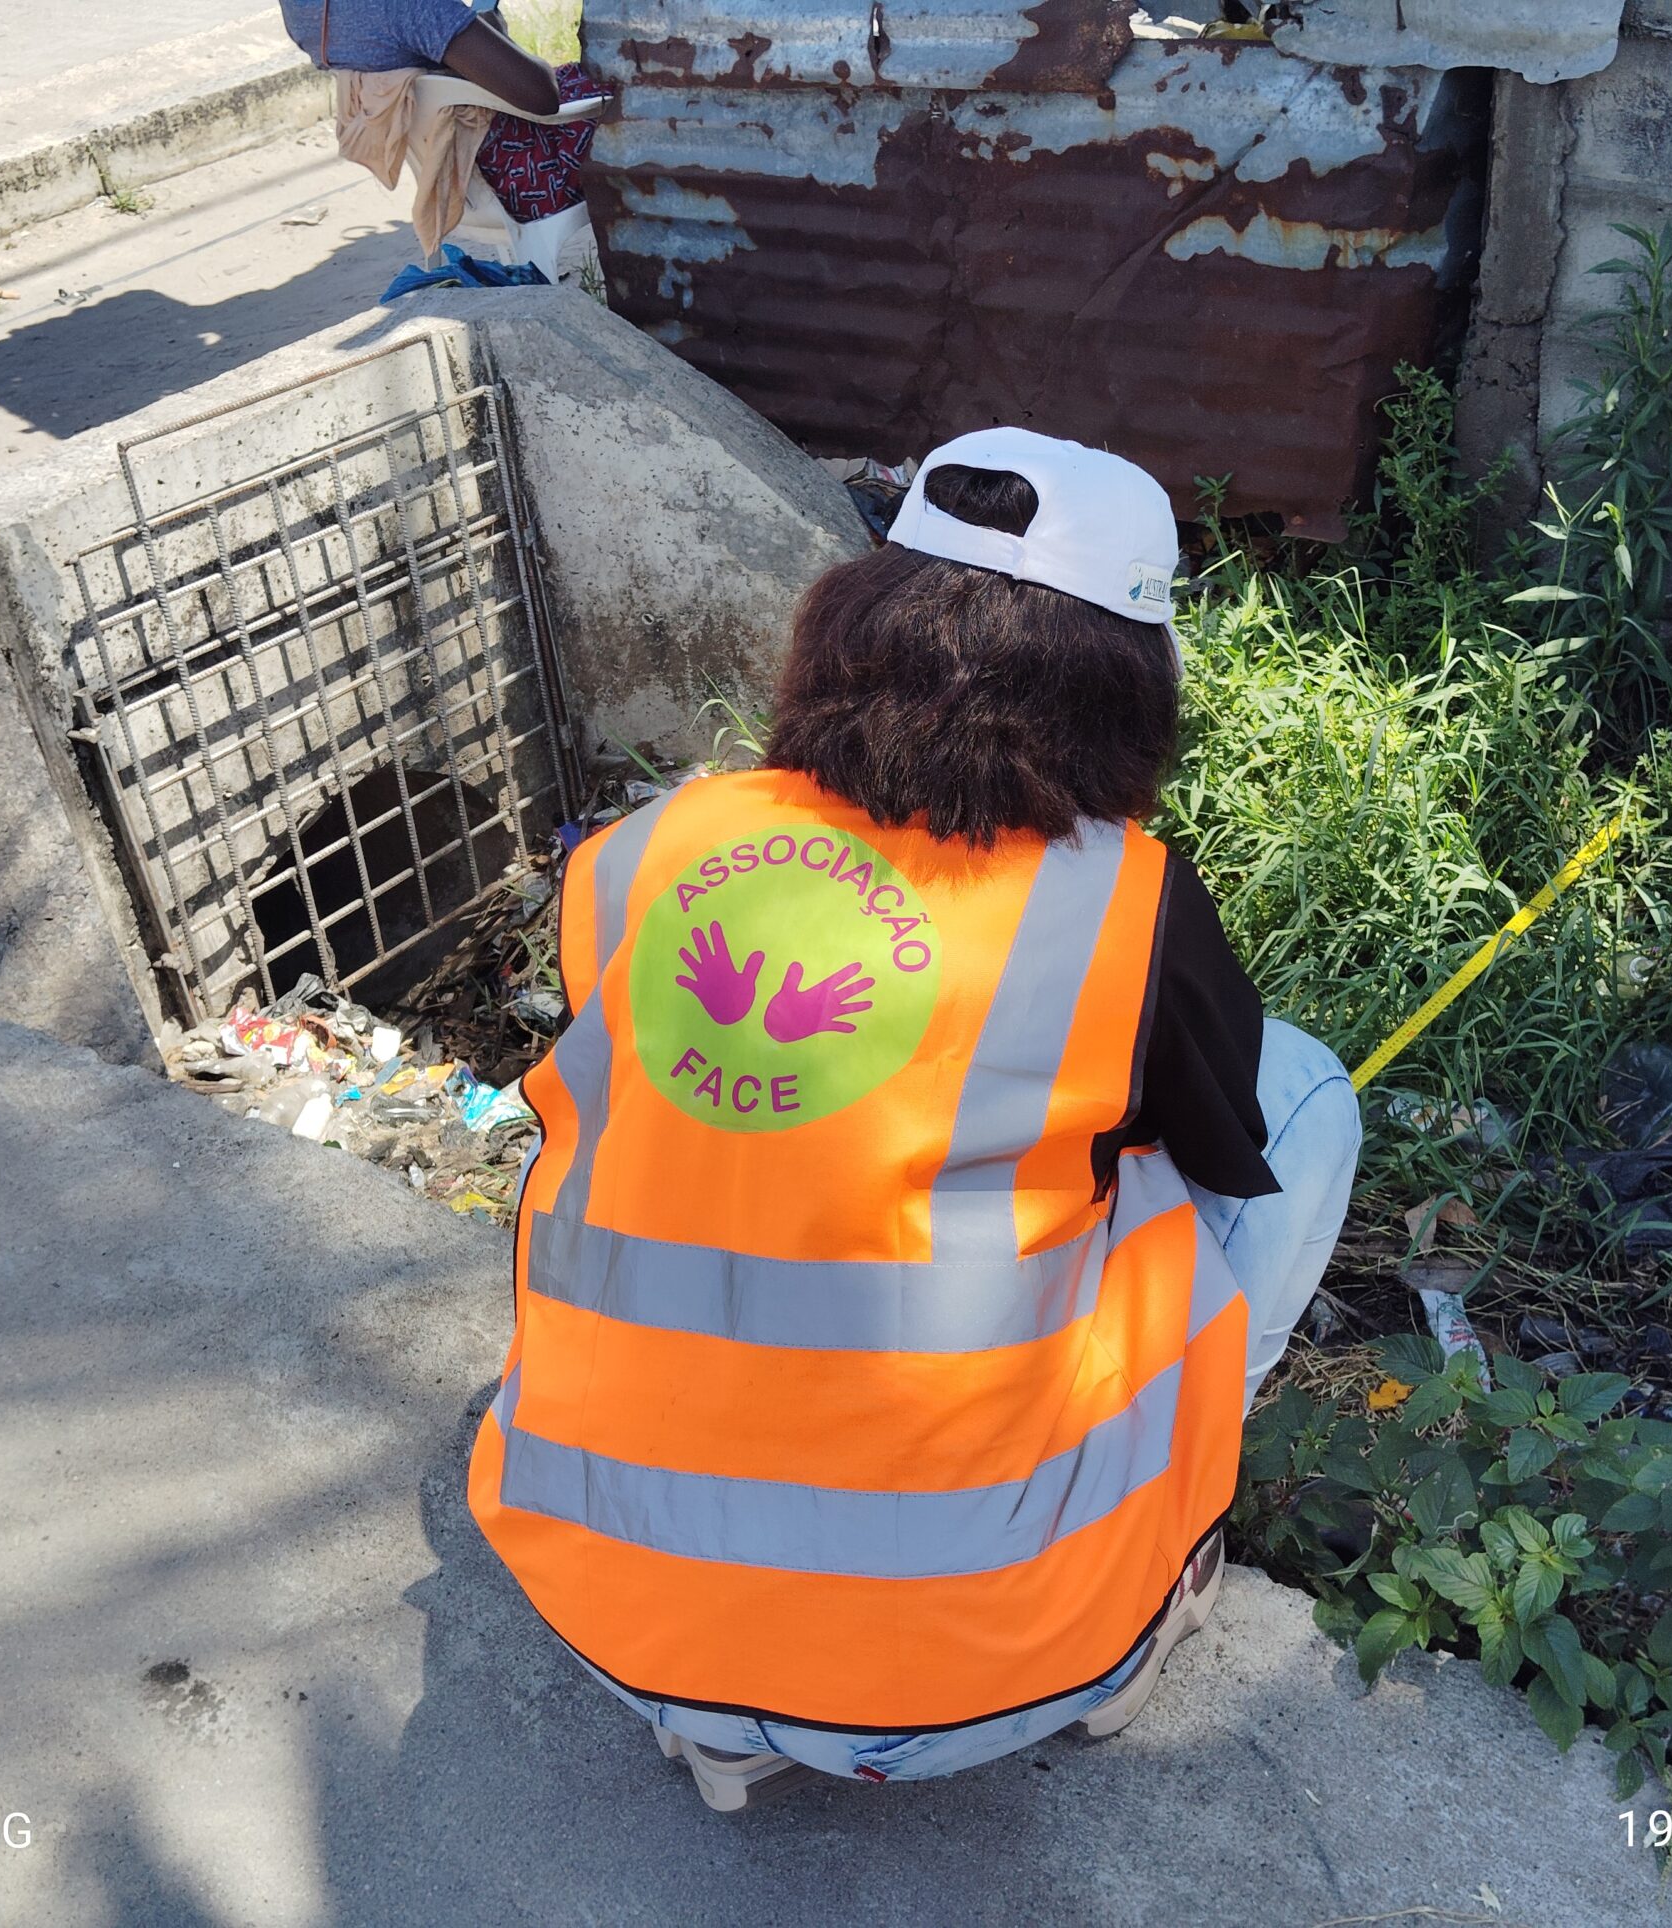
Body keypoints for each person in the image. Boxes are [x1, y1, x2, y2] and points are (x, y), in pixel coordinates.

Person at [468, 427, 1362, 1809]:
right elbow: (1222, 1141)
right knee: (1302, 1095)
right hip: (980, 1675)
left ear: (852, 623)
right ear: (1126, 682)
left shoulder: (647, 851)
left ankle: (724, 1715)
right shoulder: (1121, 901)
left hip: (613, 1615)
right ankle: (1152, 1563)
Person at [281, 0, 561, 117]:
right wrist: (495, 32)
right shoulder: (409, 7)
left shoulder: (302, 10)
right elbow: (543, 97)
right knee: (601, 92)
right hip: (516, 160)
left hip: (435, 165)